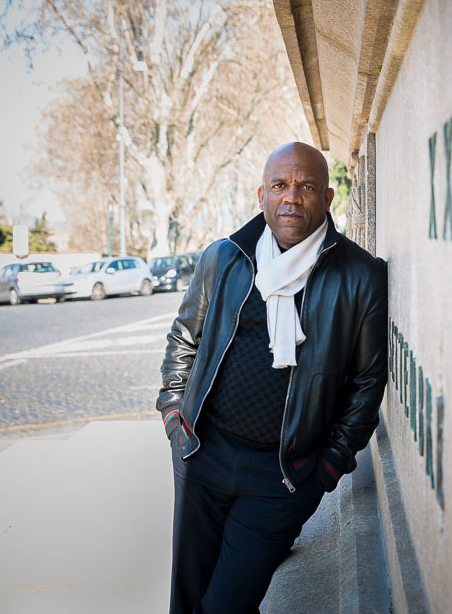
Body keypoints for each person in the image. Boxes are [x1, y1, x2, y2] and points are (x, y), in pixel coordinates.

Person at [156, 141, 388, 613]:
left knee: (226, 605)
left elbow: (368, 381)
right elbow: (185, 336)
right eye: (280, 185)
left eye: (306, 187)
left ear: (327, 197)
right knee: (188, 599)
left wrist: (328, 465)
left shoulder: (361, 275)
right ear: (262, 194)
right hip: (204, 456)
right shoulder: (224, 258)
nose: (292, 197)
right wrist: (174, 415)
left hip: (283, 477)